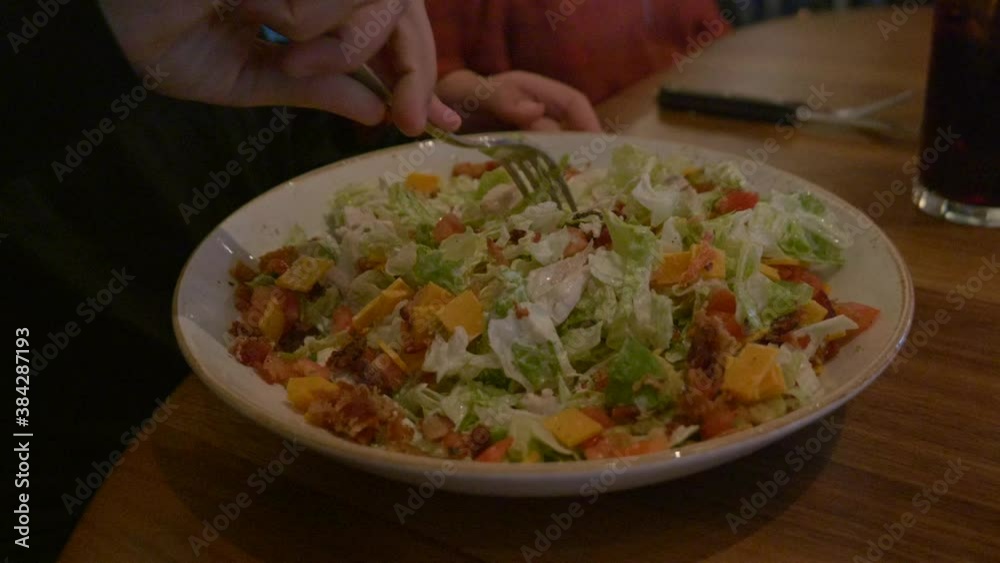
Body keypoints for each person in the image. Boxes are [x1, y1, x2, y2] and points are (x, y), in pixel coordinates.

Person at [3, 0, 452, 558]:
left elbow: (284, 148)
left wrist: (406, 123)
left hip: (280, 436)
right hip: (69, 467)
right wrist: (85, 36)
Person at [426, 0, 727, 132]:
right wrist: (479, 97)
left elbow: (714, 38)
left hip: (679, 132)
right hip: (559, 161)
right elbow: (431, 79)